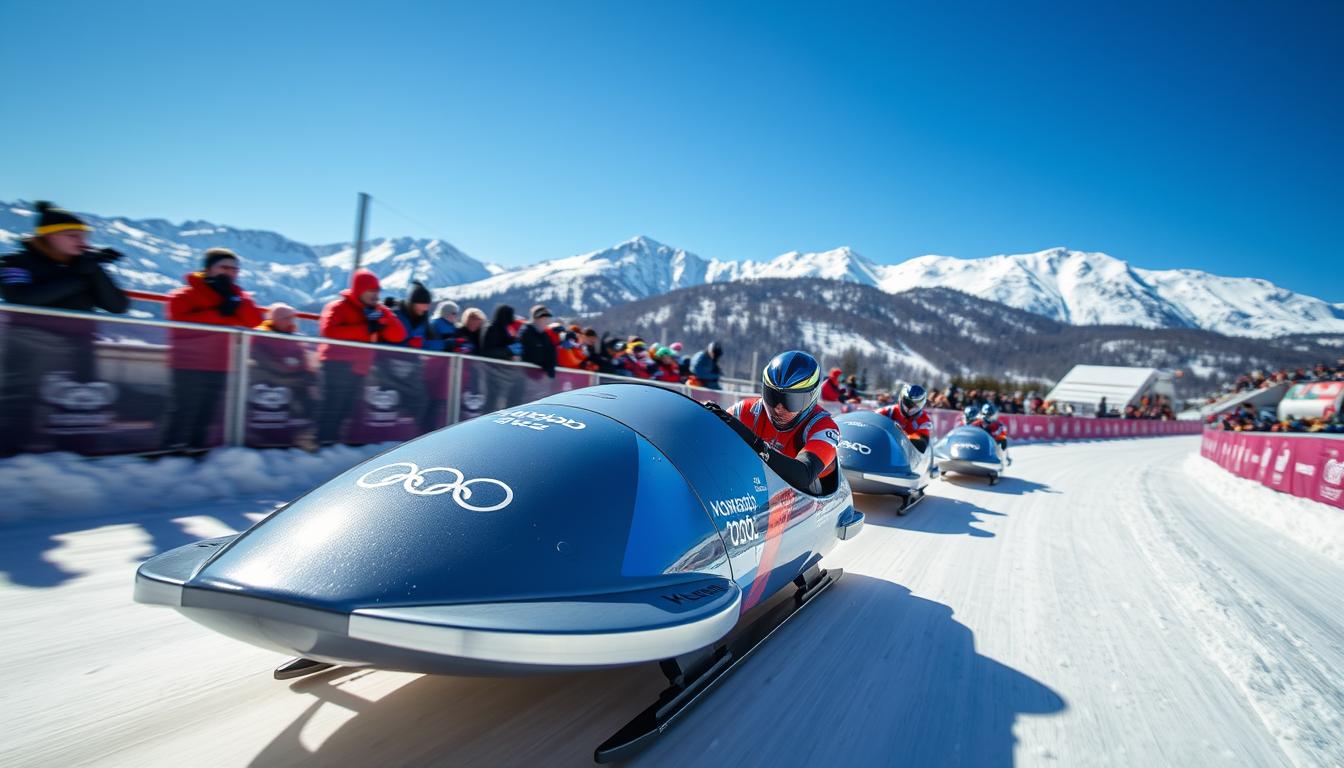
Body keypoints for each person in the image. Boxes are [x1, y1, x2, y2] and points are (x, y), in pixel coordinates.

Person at [163, 248, 265, 449]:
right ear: (209, 269)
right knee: (183, 410)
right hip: (188, 364)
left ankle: (196, 451)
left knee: (206, 412)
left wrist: (233, 300)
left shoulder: (238, 297)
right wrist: (222, 313)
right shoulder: (185, 294)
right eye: (224, 267)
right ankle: (167, 452)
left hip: (221, 364)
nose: (230, 273)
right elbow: (182, 323)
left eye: (234, 269)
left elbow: (254, 321)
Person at [701, 350, 840, 494]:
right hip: (754, 491)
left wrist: (755, 444)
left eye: (791, 401)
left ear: (811, 398)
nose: (778, 408)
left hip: (806, 497)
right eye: (772, 396)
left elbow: (803, 475)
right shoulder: (746, 410)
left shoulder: (824, 427)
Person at [316, 269, 407, 445]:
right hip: (336, 364)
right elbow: (329, 331)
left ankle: (335, 444)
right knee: (332, 407)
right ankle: (322, 444)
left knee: (348, 408)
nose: (375, 295)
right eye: (370, 291)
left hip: (360, 367)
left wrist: (384, 321)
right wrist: (365, 329)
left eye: (377, 292)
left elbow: (398, 335)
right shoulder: (338, 307)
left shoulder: (379, 310)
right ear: (359, 290)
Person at [875, 383, 932, 452]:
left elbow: (922, 442)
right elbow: (869, 418)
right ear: (901, 398)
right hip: (882, 448)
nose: (910, 407)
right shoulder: (889, 411)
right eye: (908, 402)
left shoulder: (925, 420)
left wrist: (903, 436)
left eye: (916, 404)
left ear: (922, 404)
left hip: (907, 454)